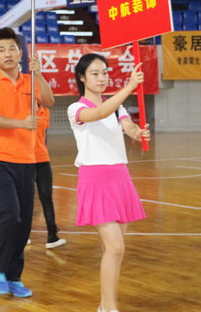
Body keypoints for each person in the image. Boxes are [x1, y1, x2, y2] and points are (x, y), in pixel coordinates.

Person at [68, 54, 149, 312]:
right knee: (116, 248)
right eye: (95, 73)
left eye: (104, 72)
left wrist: (138, 133)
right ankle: (110, 309)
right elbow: (101, 112)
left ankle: (105, 305)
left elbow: (128, 126)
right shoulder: (76, 109)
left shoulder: (117, 108)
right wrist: (130, 86)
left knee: (112, 250)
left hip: (120, 179)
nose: (102, 78)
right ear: (82, 78)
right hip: (95, 182)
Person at [0, 27, 54, 298]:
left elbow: (49, 100)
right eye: (2, 49)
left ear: (21, 53)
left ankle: (13, 276)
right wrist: (21, 123)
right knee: (9, 213)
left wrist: (39, 74)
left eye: (12, 48)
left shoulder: (30, 81)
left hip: (27, 158)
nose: (7, 53)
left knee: (23, 222)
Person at [34, 104, 66, 249]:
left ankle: (52, 235)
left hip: (43, 159)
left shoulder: (45, 111)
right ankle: (21, 235)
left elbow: (42, 135)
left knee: (47, 197)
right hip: (25, 159)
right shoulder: (21, 107)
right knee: (24, 199)